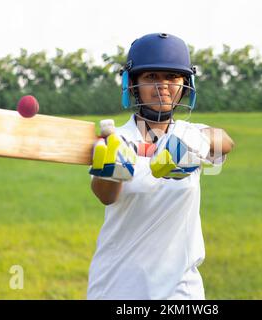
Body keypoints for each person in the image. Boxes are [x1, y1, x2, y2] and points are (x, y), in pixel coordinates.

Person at [87, 33, 234, 300]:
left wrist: (194, 143)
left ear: (185, 84)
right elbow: (105, 196)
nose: (162, 86)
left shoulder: (191, 133)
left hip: (182, 288)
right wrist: (111, 168)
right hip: (120, 286)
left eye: (172, 77)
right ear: (133, 84)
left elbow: (225, 142)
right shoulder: (117, 139)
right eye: (151, 77)